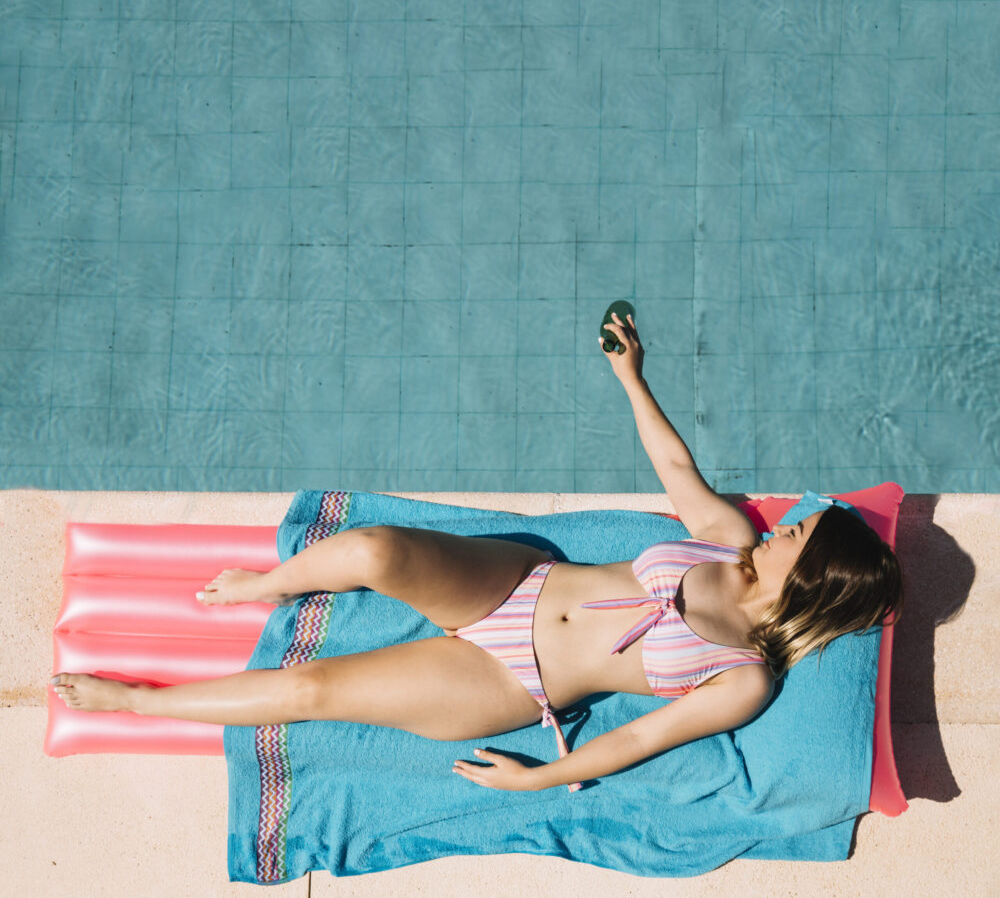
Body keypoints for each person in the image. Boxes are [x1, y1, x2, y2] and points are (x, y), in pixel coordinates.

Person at [51, 312, 902, 792]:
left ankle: (132, 703)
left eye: (803, 533)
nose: (791, 520)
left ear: (814, 582)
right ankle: (270, 584)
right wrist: (631, 377)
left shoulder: (744, 675)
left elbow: (639, 741)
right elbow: (676, 466)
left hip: (510, 683)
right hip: (513, 586)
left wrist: (535, 779)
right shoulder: (730, 540)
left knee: (308, 689)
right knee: (379, 551)